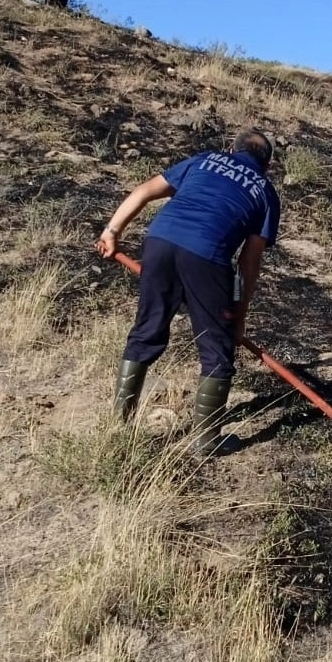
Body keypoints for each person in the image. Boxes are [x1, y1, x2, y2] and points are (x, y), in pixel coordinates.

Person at [94, 128, 281, 453]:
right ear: (267, 165)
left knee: (146, 331)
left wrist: (112, 231)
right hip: (207, 255)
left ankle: (119, 426)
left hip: (159, 241)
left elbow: (143, 191)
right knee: (217, 352)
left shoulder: (205, 160)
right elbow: (249, 263)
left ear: (230, 149)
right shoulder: (265, 191)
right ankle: (206, 442)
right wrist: (238, 318)